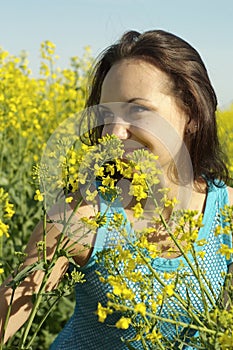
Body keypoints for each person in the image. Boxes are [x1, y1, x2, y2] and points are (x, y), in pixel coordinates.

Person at [0, 29, 233, 349]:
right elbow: (11, 309)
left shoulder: (226, 213)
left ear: (191, 112)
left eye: (138, 110)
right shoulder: (80, 215)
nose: (114, 132)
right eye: (106, 114)